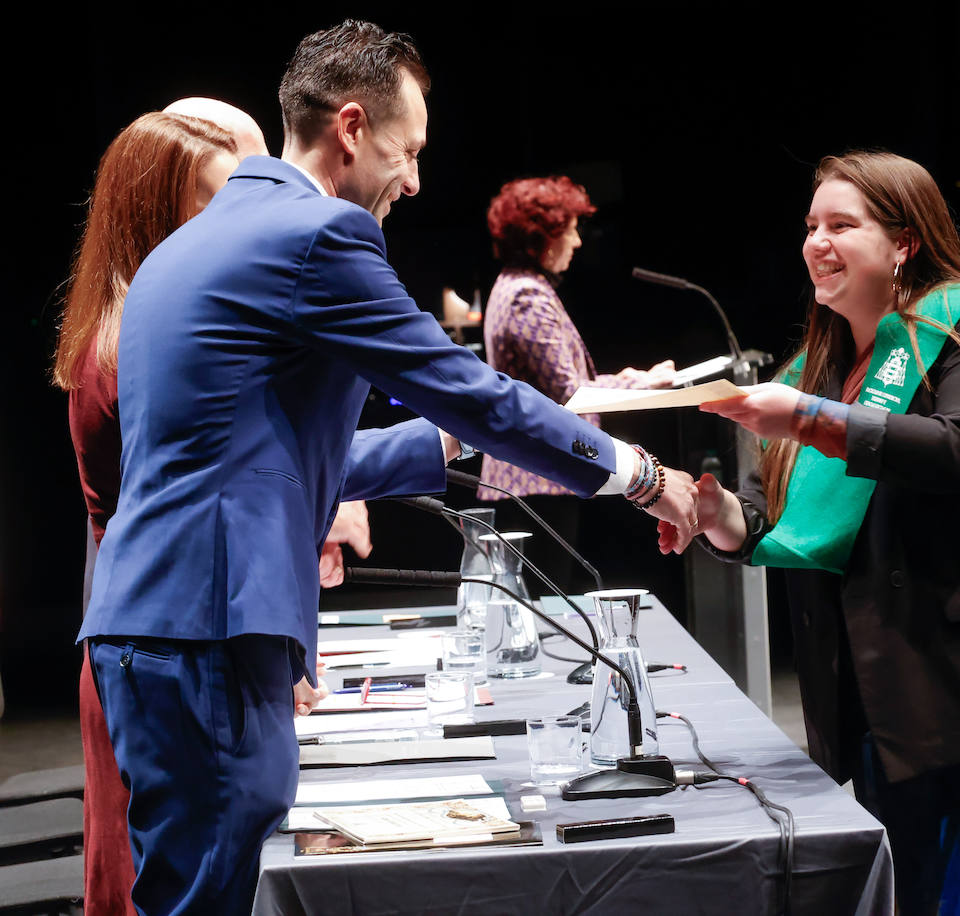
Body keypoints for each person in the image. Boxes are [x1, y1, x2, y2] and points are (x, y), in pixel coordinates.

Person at [77, 21, 698, 916]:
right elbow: (472, 396)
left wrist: (451, 440)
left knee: (185, 893)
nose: (415, 180)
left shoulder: (188, 248)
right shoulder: (319, 235)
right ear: (353, 128)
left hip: (150, 627)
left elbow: (264, 462)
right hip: (211, 629)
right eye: (408, 152)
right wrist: (643, 475)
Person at [688, 150, 960, 915]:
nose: (816, 243)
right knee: (915, 900)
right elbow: (774, 518)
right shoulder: (818, 364)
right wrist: (711, 517)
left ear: (904, 243)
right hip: (883, 690)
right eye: (810, 226)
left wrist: (805, 417)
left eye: (842, 225)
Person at [53, 109, 246, 916]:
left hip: (146, 647)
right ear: (154, 211)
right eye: (213, 205)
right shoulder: (135, 345)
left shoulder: (134, 324)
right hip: (158, 658)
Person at [478, 175, 674, 585]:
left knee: (542, 600)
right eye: (570, 231)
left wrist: (628, 378)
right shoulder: (526, 295)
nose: (578, 242)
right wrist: (642, 385)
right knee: (546, 604)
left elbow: (560, 383)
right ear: (542, 238)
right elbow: (570, 394)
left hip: (531, 475)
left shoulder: (518, 287)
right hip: (536, 476)